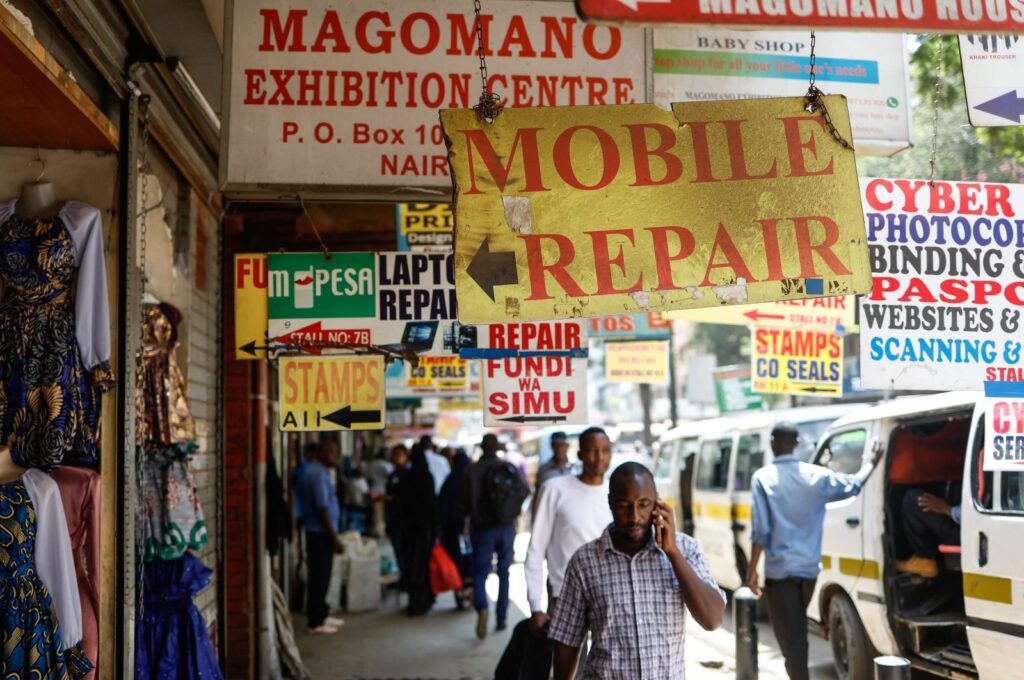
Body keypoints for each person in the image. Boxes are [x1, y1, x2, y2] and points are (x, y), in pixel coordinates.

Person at [549, 463, 726, 679]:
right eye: (624, 505)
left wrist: (672, 552)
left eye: (643, 504)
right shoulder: (584, 562)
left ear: (657, 503)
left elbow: (712, 619)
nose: (634, 516)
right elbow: (568, 640)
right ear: (610, 503)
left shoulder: (686, 550)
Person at [746, 422, 880, 680]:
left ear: (773, 443)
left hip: (780, 574)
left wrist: (752, 571)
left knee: (791, 642)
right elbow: (853, 485)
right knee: (797, 635)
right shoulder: (816, 475)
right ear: (797, 444)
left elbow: (761, 530)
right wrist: (870, 462)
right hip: (808, 572)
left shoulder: (763, 478)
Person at [525, 427, 613, 637]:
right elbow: (536, 549)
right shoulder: (554, 489)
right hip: (565, 597)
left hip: (610, 596)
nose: (599, 457)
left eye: (605, 450)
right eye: (592, 451)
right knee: (568, 669)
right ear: (580, 454)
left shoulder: (616, 492)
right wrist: (536, 606)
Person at [462, 433, 530, 639]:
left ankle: (482, 607)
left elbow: (464, 502)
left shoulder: (471, 470)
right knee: (504, 572)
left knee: (480, 572)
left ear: (482, 448)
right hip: (506, 526)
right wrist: (511, 511)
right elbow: (525, 490)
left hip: (481, 528)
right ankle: (502, 617)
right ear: (497, 447)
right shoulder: (507, 467)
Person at [298, 440, 345, 635]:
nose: (335, 456)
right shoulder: (316, 473)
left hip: (321, 532)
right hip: (320, 533)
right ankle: (315, 622)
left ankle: (322, 614)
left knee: (323, 576)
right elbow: (322, 507)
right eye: (331, 452)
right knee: (319, 577)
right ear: (321, 453)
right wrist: (334, 537)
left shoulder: (322, 471)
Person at [396, 448, 439, 616]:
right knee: (423, 567)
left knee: (412, 566)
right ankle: (424, 601)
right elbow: (431, 505)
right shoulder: (427, 477)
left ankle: (414, 602)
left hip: (409, 531)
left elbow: (400, 504)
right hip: (424, 531)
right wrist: (435, 529)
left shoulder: (406, 477)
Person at [896, 490, 961, 578]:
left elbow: (967, 516)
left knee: (913, 500)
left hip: (967, 533)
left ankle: (925, 559)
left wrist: (946, 509)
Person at [437, 448, 472, 608]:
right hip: (470, 531)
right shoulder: (471, 479)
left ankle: (460, 596)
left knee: (457, 563)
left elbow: (442, 508)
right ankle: (472, 594)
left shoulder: (450, 481)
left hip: (452, 532)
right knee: (470, 563)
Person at [384, 444, 410, 580]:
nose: (396, 458)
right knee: (397, 550)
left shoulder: (409, 475)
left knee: (406, 551)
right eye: (394, 455)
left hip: (406, 521)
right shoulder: (392, 476)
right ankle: (403, 576)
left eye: (399, 455)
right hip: (394, 520)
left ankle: (407, 577)